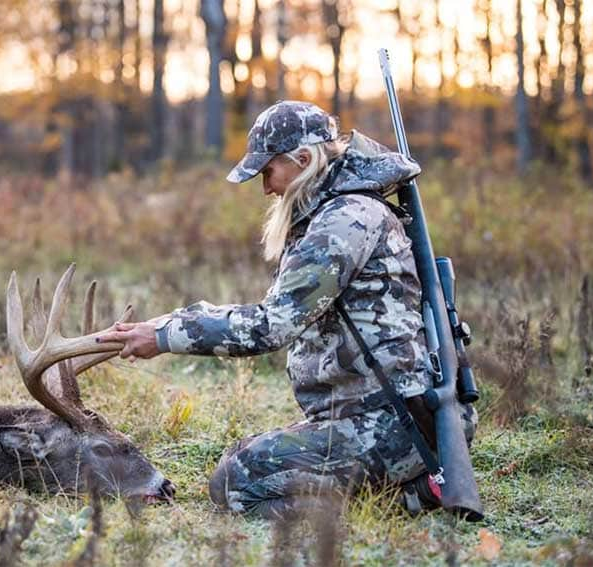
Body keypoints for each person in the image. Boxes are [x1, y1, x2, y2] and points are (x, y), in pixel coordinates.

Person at [98, 100, 470, 519]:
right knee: (247, 462)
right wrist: (170, 323)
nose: (266, 187)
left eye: (268, 171)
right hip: (384, 416)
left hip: (394, 427)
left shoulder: (344, 222)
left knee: (235, 482)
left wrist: (165, 336)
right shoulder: (340, 210)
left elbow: (270, 326)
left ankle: (405, 499)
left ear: (304, 160)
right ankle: (408, 489)